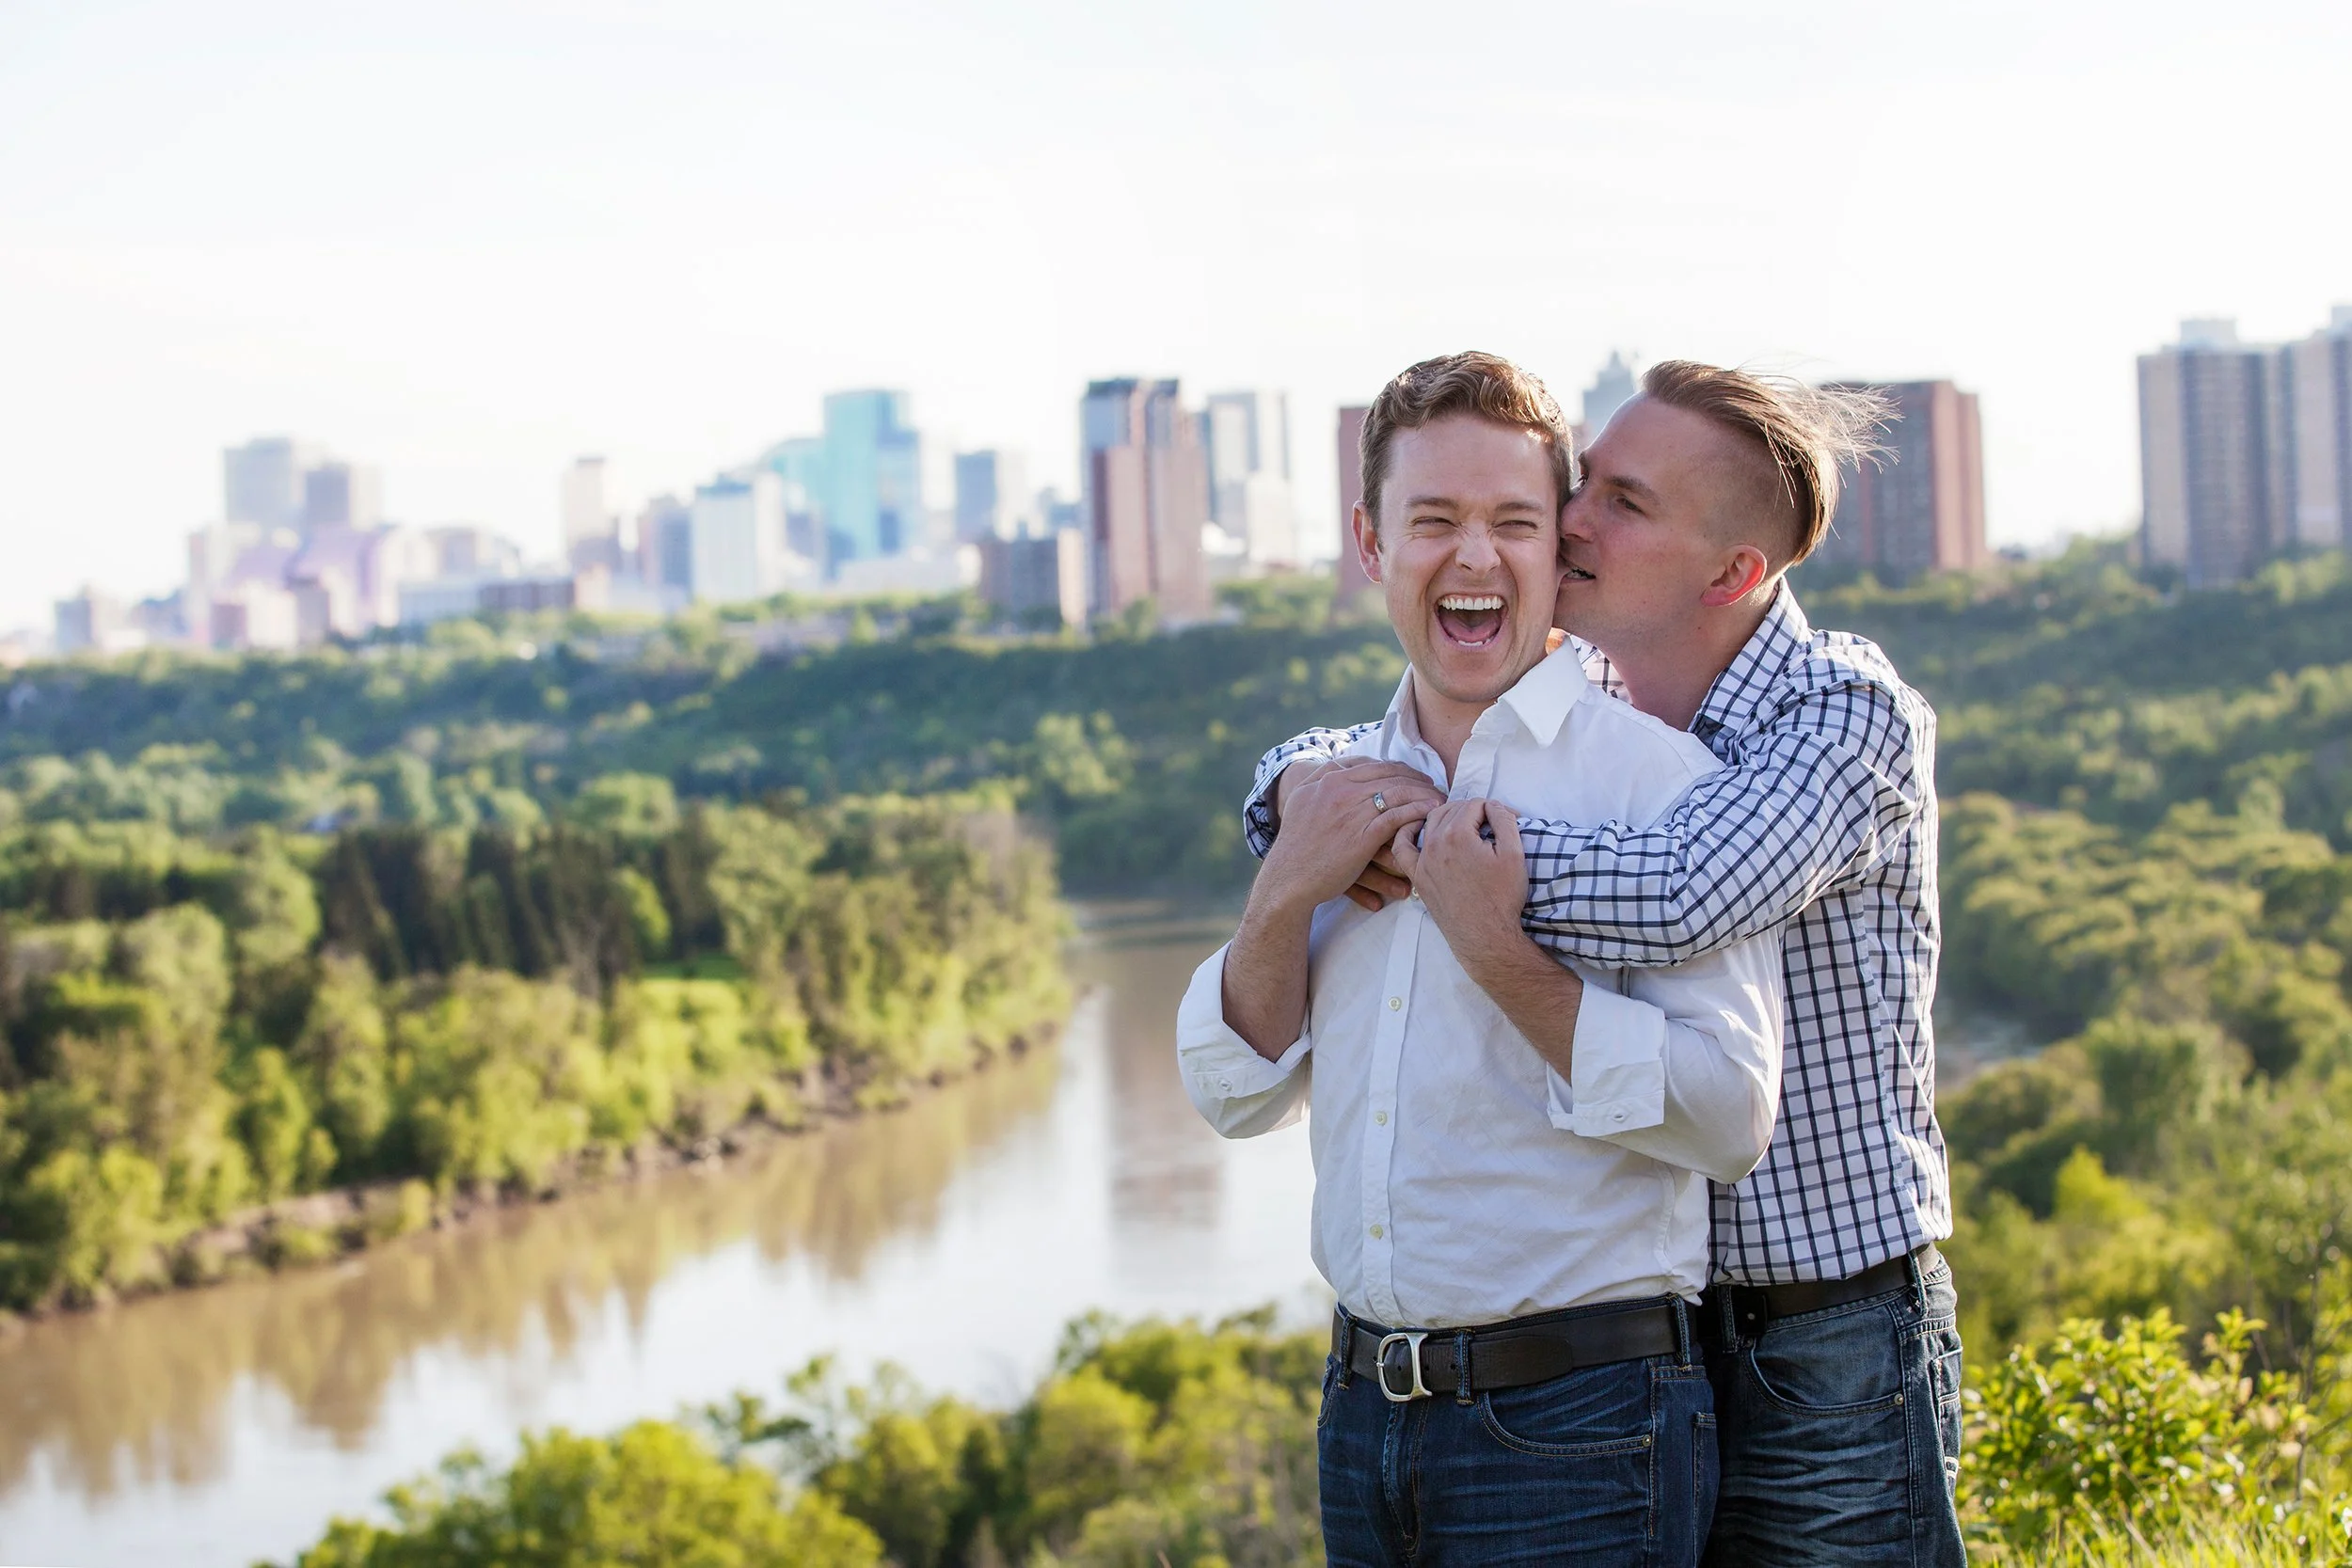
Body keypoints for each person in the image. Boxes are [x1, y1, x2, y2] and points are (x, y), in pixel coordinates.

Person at [1249, 360, 1963, 1566]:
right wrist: (1296, 799)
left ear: (1731, 572)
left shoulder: (1841, 712)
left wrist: (1419, 845)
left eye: (1621, 502)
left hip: (1822, 1333)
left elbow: (1686, 890)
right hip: (1649, 1338)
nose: (1570, 521)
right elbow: (1365, 738)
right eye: (1581, 486)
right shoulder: (1598, 692)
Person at [1179, 351, 1785, 1567]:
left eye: (1512, 520)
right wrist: (1289, 881)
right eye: (1433, 520)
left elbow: (1728, 1113)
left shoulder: (1652, 785)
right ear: (1370, 543)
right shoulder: (1330, 788)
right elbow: (1232, 1092)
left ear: (1556, 544)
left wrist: (1497, 949)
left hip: (1580, 1429)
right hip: (1363, 1419)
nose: (1472, 556)